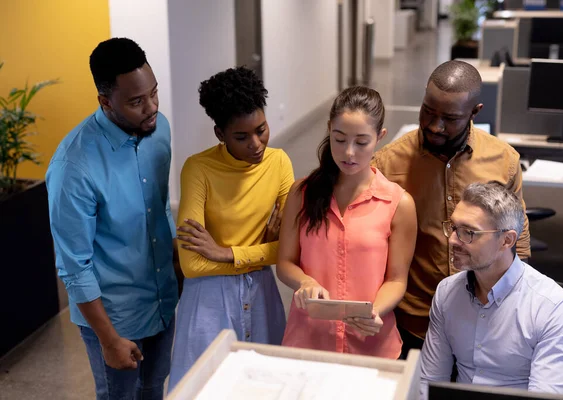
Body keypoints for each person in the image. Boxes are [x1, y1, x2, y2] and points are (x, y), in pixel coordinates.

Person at [46, 38, 178, 399]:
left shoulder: (158, 129)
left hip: (162, 300)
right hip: (115, 318)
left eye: (154, 93)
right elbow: (74, 266)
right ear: (105, 102)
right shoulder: (74, 166)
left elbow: (160, 206)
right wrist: (109, 339)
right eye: (136, 101)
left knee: (154, 389)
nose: (151, 107)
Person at [372, 60, 531, 358]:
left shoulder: (503, 160)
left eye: (450, 118)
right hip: (414, 322)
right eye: (428, 112)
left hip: (484, 322)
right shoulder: (387, 164)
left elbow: (517, 245)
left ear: (475, 112)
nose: (435, 125)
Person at [168, 66, 294, 390]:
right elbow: (192, 265)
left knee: (264, 388)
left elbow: (293, 248)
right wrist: (264, 249)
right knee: (207, 389)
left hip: (262, 293)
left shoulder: (279, 163)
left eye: (261, 129)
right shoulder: (198, 169)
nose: (256, 144)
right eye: (242, 136)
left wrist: (225, 253)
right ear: (220, 134)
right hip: (208, 301)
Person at [277, 86, 417, 359]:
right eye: (339, 139)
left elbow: (397, 280)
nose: (349, 152)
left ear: (380, 137)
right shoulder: (301, 194)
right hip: (308, 340)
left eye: (361, 142)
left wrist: (374, 311)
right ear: (329, 129)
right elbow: (285, 263)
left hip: (372, 345)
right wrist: (305, 282)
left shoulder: (398, 204)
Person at [420, 181, 563, 398]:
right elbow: (428, 382)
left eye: (469, 232)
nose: (453, 241)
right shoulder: (448, 292)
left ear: (506, 240)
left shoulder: (553, 309)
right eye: (453, 228)